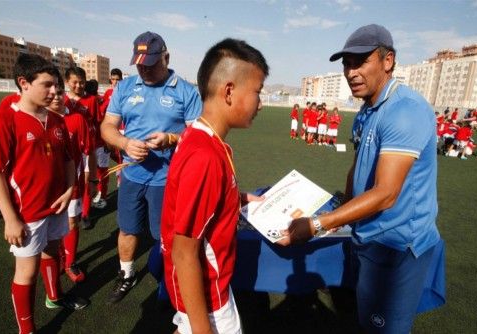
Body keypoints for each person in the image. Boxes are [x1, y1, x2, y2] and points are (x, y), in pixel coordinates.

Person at [279, 24, 441, 334]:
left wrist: (317, 224)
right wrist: (343, 209)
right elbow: (358, 166)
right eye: (346, 64)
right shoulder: (367, 110)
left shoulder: (404, 110)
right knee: (365, 319)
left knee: (384, 328)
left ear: (388, 61)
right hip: (368, 234)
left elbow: (386, 194)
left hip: (398, 246)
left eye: (360, 61)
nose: (351, 72)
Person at [161, 37, 268, 334]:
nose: (260, 102)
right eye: (257, 92)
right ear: (229, 91)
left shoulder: (202, 139)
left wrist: (242, 199)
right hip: (207, 294)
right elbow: (184, 252)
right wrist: (202, 329)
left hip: (208, 285)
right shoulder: (205, 156)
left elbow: (205, 204)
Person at [0, 54, 88, 334]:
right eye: (47, 85)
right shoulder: (4, 122)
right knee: (26, 273)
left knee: (52, 251)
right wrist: (10, 218)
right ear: (23, 83)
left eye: (56, 85)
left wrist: (68, 191)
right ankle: (26, 330)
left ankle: (54, 297)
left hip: (56, 205)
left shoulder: (56, 119)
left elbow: (68, 159)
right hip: (27, 213)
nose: (55, 91)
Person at [100, 31, 202, 304]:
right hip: (132, 174)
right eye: (140, 63)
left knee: (164, 236)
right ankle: (127, 274)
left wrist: (172, 139)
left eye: (151, 63)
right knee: (127, 229)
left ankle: (168, 280)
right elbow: (107, 127)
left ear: (166, 57)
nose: (144, 68)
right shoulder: (125, 87)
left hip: (168, 179)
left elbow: (200, 139)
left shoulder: (186, 92)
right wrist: (124, 143)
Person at [49, 70, 94, 283]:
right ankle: (56, 257)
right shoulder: (39, 119)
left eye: (59, 92)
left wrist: (90, 179)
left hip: (71, 185)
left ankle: (70, 262)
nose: (56, 96)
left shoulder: (77, 119)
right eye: (53, 91)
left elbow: (88, 152)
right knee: (51, 227)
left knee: (71, 222)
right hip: (45, 187)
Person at [64, 67, 99, 232]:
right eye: (74, 82)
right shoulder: (61, 99)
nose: (78, 86)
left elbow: (96, 122)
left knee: (85, 180)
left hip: (87, 147)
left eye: (82, 82)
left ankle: (85, 213)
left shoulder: (91, 100)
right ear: (67, 82)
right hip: (68, 148)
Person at [94, 68, 123, 206]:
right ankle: (102, 193)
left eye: (118, 79)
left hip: (123, 132)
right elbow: (101, 111)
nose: (115, 82)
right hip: (109, 132)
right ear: (110, 79)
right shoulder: (107, 93)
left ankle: (120, 181)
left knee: (122, 159)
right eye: (113, 79)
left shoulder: (125, 92)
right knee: (105, 162)